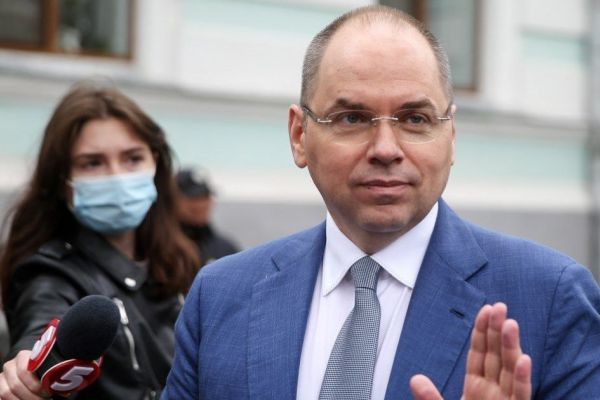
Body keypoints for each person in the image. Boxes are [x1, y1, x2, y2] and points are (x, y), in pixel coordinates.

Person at [162, 5, 600, 400]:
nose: (386, 149)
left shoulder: (549, 299)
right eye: (352, 118)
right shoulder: (221, 296)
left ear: (450, 135)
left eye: (415, 119)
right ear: (299, 136)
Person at [0, 81, 199, 399]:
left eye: (133, 158)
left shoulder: (178, 256)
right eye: (92, 163)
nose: (116, 175)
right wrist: (30, 368)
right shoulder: (50, 274)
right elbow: (43, 326)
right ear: (62, 180)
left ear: (156, 164)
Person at [175, 167, 239, 264]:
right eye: (194, 197)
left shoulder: (225, 248)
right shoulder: (161, 246)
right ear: (172, 200)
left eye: (205, 196)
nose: (201, 204)